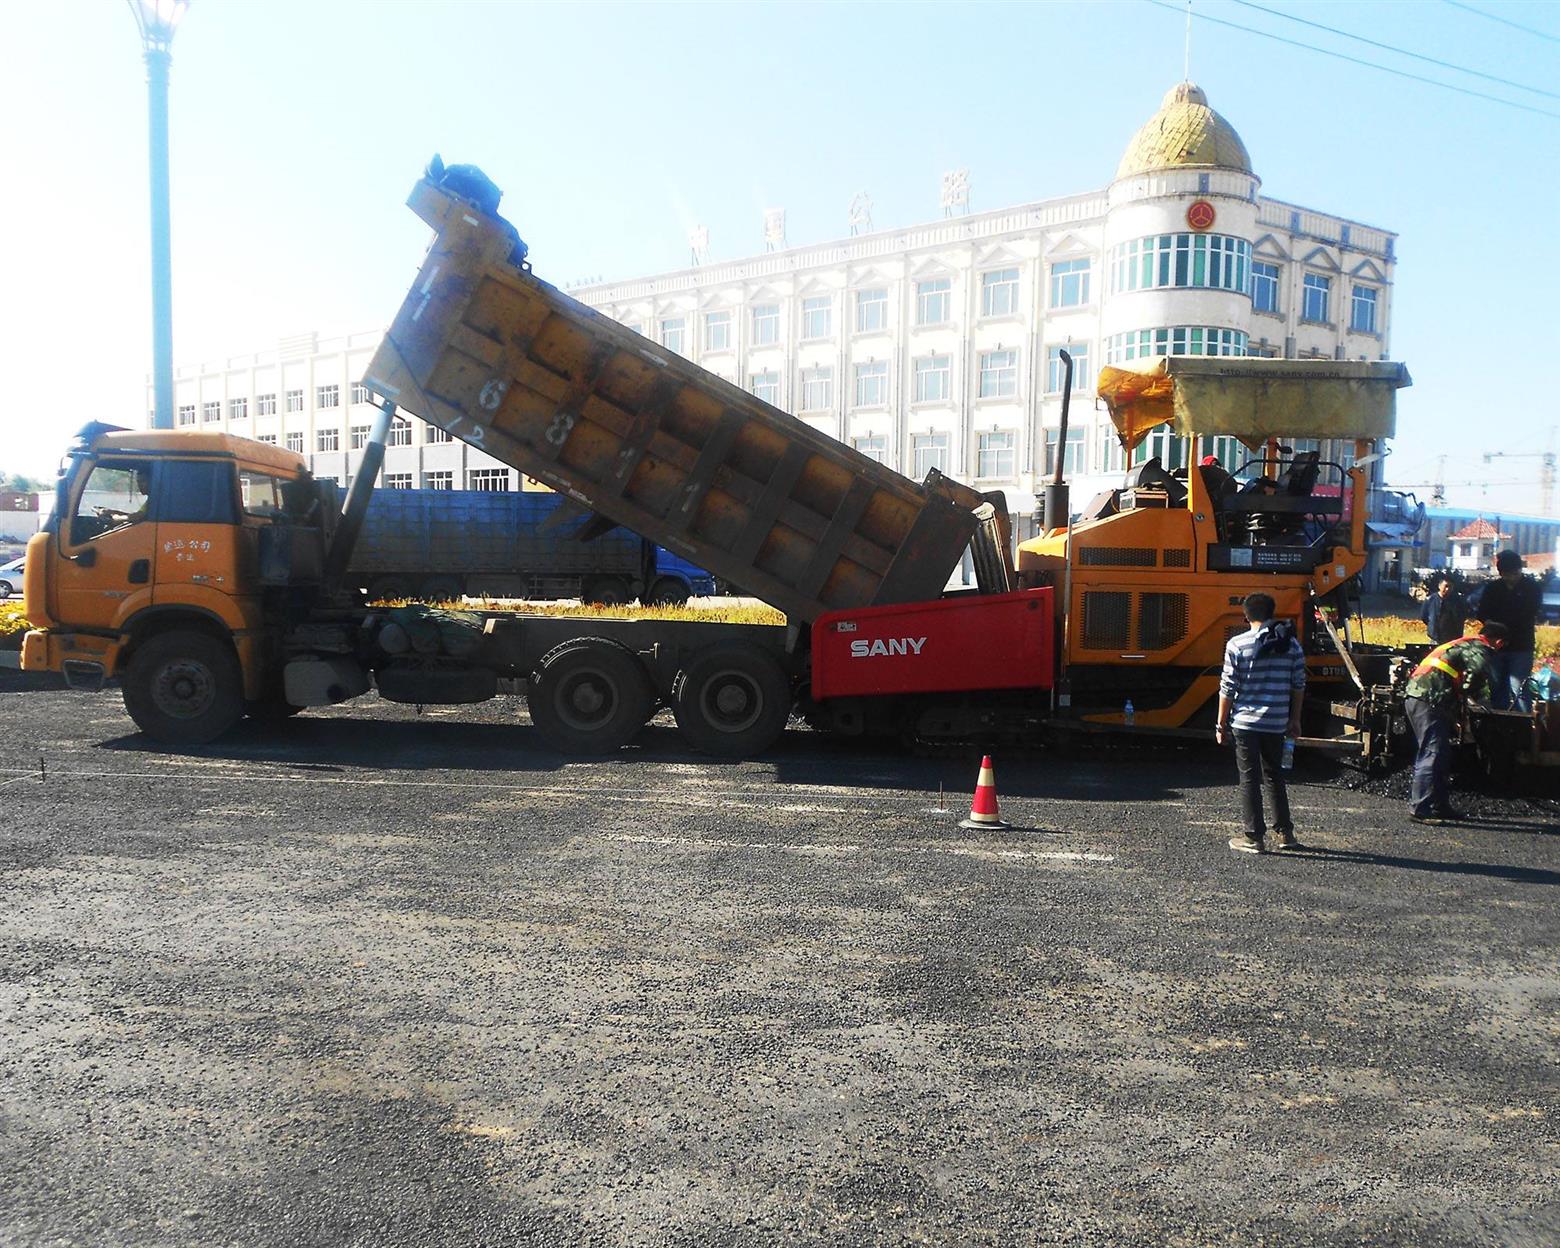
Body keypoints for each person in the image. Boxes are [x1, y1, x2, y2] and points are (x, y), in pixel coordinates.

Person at [1216, 592, 1307, 855]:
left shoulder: (1237, 644)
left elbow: (1228, 688)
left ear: (1246, 615)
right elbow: (1298, 685)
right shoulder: (1291, 646)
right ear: (1272, 613)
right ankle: (1285, 834)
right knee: (1274, 775)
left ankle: (1254, 837)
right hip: (1276, 721)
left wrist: (1221, 724)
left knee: (1249, 778)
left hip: (1245, 723)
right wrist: (1295, 718)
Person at [1401, 621, 1507, 825]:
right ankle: (1420, 808)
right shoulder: (1480, 648)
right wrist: (1471, 695)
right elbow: (1477, 673)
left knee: (1441, 752)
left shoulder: (1462, 643)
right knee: (1432, 752)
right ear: (1499, 642)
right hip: (1429, 699)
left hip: (1421, 697)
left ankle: (1439, 805)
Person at [1472, 551, 1540, 711]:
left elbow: (1529, 613)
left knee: (1520, 689)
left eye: (1515, 573)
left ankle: (1523, 724)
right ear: (1501, 573)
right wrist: (1490, 623)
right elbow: (1482, 612)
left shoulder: (1532, 588)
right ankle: (1500, 723)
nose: (1511, 578)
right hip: (1496, 647)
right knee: (1497, 688)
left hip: (1521, 646)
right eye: (1507, 574)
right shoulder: (1493, 588)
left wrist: (1502, 625)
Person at [1419, 575, 1468, 645]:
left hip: (1453, 638)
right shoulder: (1430, 600)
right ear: (1439, 586)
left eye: (1450, 587)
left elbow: (1462, 616)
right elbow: (1424, 617)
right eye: (1446, 586)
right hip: (1435, 638)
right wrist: (1433, 625)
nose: (1447, 589)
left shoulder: (1458, 601)